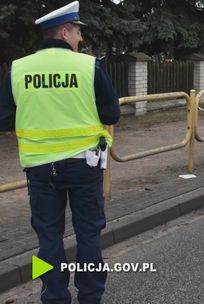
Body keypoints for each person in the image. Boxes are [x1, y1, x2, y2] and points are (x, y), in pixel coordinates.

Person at [0, 1, 119, 303]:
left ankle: (53, 297)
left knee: (48, 239)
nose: (81, 39)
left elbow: (2, 119)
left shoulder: (19, 68)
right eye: (78, 32)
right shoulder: (89, 66)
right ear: (64, 32)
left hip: (39, 170)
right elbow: (112, 114)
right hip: (85, 165)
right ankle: (91, 297)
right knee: (89, 235)